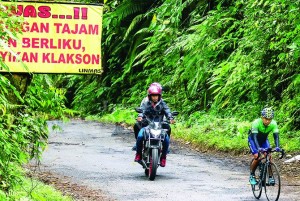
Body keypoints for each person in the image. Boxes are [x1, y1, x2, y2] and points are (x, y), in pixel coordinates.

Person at [134, 84, 175, 167]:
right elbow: (142, 110)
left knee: (166, 138)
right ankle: (138, 154)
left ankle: (163, 157)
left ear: (159, 96)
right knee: (140, 136)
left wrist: (170, 118)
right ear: (150, 96)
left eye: (156, 96)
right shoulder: (146, 103)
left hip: (159, 125)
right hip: (148, 125)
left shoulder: (162, 103)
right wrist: (140, 116)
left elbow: (167, 111)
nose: (155, 98)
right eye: (153, 96)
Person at [248, 107, 281, 185]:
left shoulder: (273, 123)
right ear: (262, 117)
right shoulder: (256, 123)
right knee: (257, 156)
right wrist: (258, 148)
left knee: (269, 157)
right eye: (266, 119)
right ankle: (252, 175)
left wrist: (277, 146)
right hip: (253, 140)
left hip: (264, 140)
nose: (267, 121)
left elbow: (276, 136)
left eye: (269, 119)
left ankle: (270, 177)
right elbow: (255, 137)